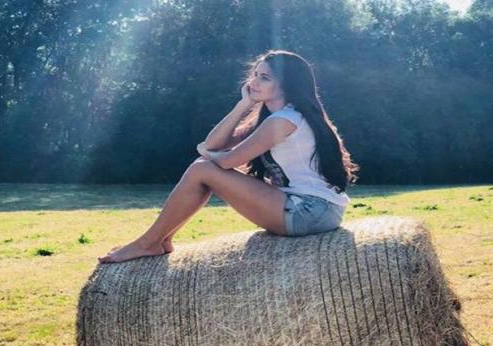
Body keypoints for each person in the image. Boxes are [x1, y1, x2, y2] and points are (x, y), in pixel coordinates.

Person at [99, 49, 358, 263]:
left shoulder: (284, 120)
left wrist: (208, 153)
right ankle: (161, 239)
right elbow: (214, 143)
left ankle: (149, 242)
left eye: (265, 78)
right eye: (255, 75)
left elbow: (226, 161)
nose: (253, 83)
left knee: (202, 169)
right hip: (316, 210)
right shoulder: (277, 117)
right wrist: (243, 105)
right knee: (202, 167)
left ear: (287, 85)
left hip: (309, 211)